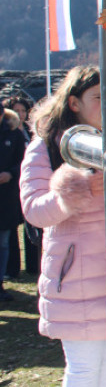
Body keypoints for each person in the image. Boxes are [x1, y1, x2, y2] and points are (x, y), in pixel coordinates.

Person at [18, 67, 106, 387]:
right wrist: (70, 195)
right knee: (84, 367)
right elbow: (33, 209)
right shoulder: (46, 147)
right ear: (74, 103)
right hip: (75, 277)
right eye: (96, 99)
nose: (105, 107)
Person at [0, 100, 27, 301]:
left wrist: (10, 173)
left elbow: (24, 162)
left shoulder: (14, 135)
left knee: (3, 242)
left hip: (6, 197)